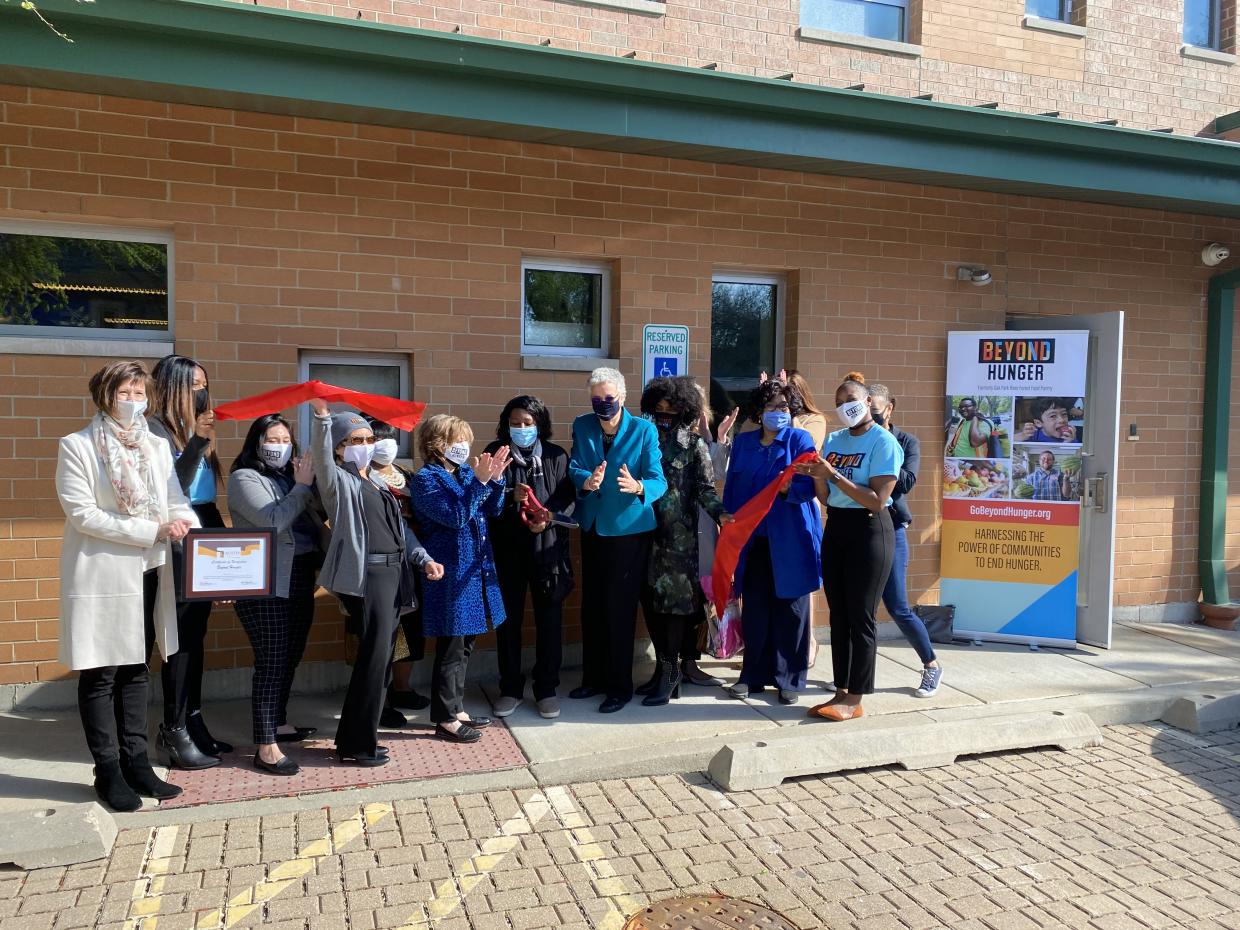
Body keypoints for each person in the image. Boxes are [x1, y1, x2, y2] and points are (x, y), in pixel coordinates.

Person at [56, 360, 198, 811]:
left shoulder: (155, 445)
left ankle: (138, 762)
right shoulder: (76, 446)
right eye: (125, 392)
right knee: (102, 671)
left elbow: (175, 497)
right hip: (102, 572)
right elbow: (83, 514)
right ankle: (108, 769)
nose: (133, 401)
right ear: (104, 394)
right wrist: (150, 531)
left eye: (140, 393)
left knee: (137, 667)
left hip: (148, 570)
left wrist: (186, 527)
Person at [308, 399, 431, 767]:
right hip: (370, 578)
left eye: (367, 438)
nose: (364, 445)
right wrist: (322, 420)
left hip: (395, 575)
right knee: (374, 661)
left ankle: (363, 737)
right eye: (355, 440)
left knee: (382, 661)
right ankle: (355, 745)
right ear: (340, 447)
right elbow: (323, 462)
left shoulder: (375, 479)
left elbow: (399, 530)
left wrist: (422, 557)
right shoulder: (339, 482)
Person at [796, 372, 902, 722]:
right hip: (838, 525)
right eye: (839, 403)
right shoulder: (836, 439)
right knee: (839, 614)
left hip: (870, 530)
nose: (845, 407)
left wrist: (834, 476)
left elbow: (876, 500)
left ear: (868, 401)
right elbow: (828, 497)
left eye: (851, 401)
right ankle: (841, 689)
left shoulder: (883, 442)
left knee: (861, 616)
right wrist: (816, 478)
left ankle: (856, 695)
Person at [227, 414, 328, 776]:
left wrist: (309, 485)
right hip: (265, 581)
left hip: (300, 573)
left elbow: (313, 516)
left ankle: (279, 724)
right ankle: (265, 745)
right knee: (272, 660)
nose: (280, 445)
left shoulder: (291, 476)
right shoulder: (244, 478)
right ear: (257, 442)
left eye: (286, 438)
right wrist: (302, 487)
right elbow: (272, 520)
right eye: (272, 438)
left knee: (291, 654)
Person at [568, 367, 668, 713]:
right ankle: (592, 679)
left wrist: (640, 487)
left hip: (629, 530)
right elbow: (576, 466)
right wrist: (586, 480)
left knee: (619, 610)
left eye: (609, 399)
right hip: (594, 526)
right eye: (596, 399)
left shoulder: (644, 430)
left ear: (622, 398)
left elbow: (659, 479)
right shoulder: (582, 425)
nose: (603, 405)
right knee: (593, 607)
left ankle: (618, 687)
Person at [146, 354, 228, 769]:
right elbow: (169, 489)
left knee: (197, 632)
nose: (202, 391)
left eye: (204, 383)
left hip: (205, 522)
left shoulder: (193, 428)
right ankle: (172, 729)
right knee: (178, 636)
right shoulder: (154, 429)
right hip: (178, 532)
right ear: (173, 385)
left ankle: (193, 720)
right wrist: (197, 441)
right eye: (194, 384)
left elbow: (205, 491)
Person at [722, 378, 821, 704]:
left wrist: (787, 489)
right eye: (770, 407)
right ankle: (751, 676)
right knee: (756, 610)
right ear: (758, 411)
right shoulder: (744, 442)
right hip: (753, 540)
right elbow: (734, 490)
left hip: (791, 538)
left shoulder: (800, 439)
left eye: (782, 407)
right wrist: (730, 526)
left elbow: (811, 487)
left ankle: (789, 679)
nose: (776, 412)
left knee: (791, 611)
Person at [411, 415, 508, 742]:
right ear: (437, 444)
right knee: (451, 645)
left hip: (475, 569)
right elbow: (455, 516)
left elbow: (493, 509)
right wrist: (480, 483)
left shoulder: (466, 472)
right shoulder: (426, 479)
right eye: (456, 440)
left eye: (466, 439)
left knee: (465, 644)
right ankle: (444, 716)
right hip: (448, 571)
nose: (463, 447)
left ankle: (456, 706)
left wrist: (495, 480)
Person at [637, 377, 731, 705]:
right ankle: (662, 671)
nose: (664, 413)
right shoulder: (643, 441)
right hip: (643, 537)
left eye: (672, 408)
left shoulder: (693, 445)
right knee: (650, 605)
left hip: (679, 543)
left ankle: (671, 673)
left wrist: (721, 514)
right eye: (659, 407)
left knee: (674, 610)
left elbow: (706, 488)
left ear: (685, 409)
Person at [483, 397, 576, 721]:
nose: (521, 428)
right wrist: (510, 496)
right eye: (515, 422)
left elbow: (567, 499)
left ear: (540, 424)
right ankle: (510, 688)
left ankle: (547, 689)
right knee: (508, 624)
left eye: (527, 423)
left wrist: (549, 517)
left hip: (547, 551)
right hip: (507, 552)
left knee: (549, 622)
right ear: (505, 423)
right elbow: (482, 497)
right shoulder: (497, 452)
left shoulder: (556, 456)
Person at [869, 384, 942, 698]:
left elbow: (906, 483)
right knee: (862, 609)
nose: (869, 416)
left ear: (890, 408)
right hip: (859, 529)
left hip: (891, 528)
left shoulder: (905, 441)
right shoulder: (857, 440)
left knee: (897, 606)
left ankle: (931, 665)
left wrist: (883, 448)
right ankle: (855, 677)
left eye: (875, 410)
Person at [368, 420, 435, 724]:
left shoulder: (407, 475)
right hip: (378, 566)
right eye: (379, 439)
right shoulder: (360, 478)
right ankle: (377, 701)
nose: (387, 444)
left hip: (413, 563)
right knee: (382, 635)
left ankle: (402, 688)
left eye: (391, 438)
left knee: (411, 630)